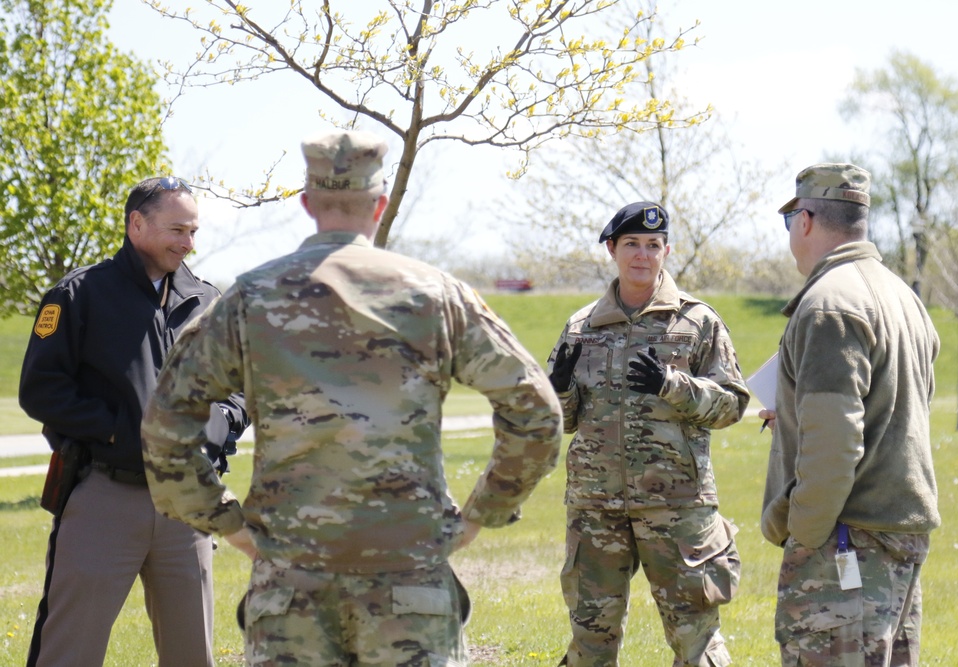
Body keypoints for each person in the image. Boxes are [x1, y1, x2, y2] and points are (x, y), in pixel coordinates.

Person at [140, 129, 564, 666]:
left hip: (289, 589)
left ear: (308, 204)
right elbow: (536, 411)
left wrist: (227, 522)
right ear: (380, 205)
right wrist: (483, 512)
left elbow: (164, 425)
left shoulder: (250, 299)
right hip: (410, 583)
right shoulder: (433, 293)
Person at [19, 176, 250, 667]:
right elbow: (42, 389)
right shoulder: (78, 294)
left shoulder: (208, 302)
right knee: (69, 652)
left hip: (187, 507)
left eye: (192, 232)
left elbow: (239, 386)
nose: (188, 243)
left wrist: (220, 425)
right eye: (177, 230)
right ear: (137, 224)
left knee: (192, 655)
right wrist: (119, 432)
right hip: (105, 497)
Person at [547, 202, 749, 667]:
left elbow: (732, 405)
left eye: (654, 246)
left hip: (676, 509)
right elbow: (565, 421)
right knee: (590, 642)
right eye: (632, 245)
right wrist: (557, 392)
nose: (643, 255)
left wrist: (672, 386)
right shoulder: (581, 329)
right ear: (612, 250)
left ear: (667, 251)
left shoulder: (697, 322)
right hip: (596, 508)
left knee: (695, 639)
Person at [759, 163, 940, 666]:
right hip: (896, 536)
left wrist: (804, 534)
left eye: (791, 218)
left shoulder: (828, 305)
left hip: (845, 540)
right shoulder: (903, 297)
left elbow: (835, 442)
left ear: (806, 220)